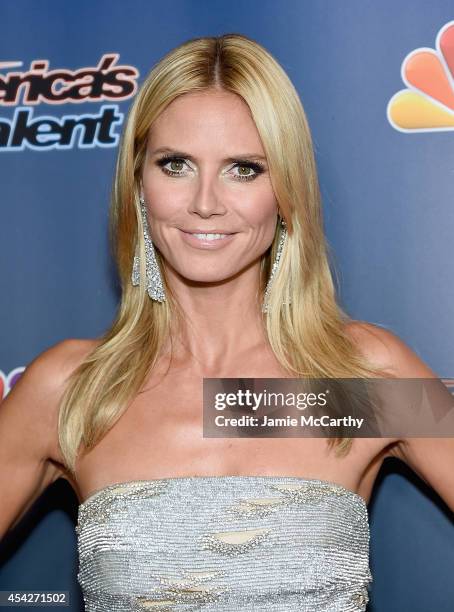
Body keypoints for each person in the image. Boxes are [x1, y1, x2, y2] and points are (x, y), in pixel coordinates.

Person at [0, 33, 453, 611]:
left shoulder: (362, 379)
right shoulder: (73, 390)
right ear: (138, 181)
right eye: (176, 165)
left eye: (244, 169)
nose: (206, 202)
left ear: (285, 190)